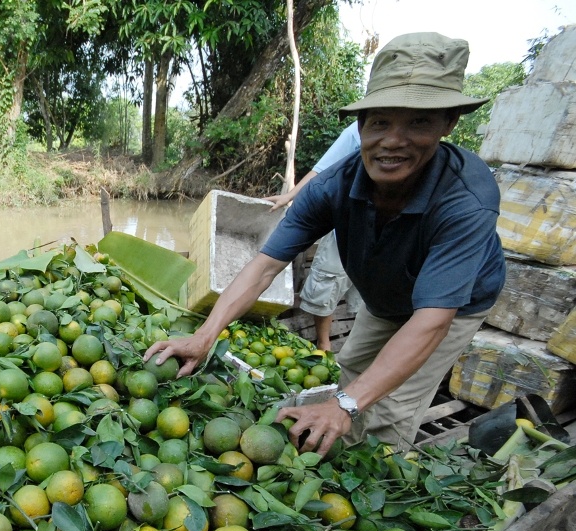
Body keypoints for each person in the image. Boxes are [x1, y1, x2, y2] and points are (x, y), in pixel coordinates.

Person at [146, 32, 505, 454]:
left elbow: (431, 322)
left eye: (418, 122)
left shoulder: (466, 200)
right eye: (380, 122)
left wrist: (345, 405)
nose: (393, 140)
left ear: (448, 124)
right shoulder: (332, 187)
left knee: (391, 409)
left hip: (449, 307)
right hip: (385, 294)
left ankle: (376, 481)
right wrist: (207, 334)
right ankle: (338, 441)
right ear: (360, 125)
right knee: (352, 368)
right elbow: (263, 265)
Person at [264, 123, 362, 350]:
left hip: (382, 236)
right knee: (327, 285)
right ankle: (324, 344)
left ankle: (354, 347)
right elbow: (322, 169)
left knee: (365, 298)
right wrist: (289, 195)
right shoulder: (356, 131)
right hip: (346, 227)